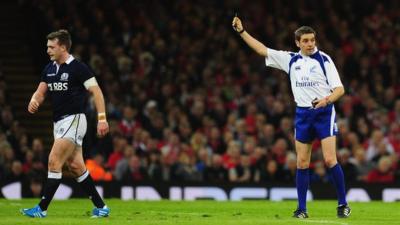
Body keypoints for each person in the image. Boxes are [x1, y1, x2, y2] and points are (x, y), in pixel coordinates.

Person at [232, 17, 351, 218]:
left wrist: (326, 100)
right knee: (302, 163)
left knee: (330, 159)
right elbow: (262, 50)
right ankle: (302, 209)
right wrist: (242, 31)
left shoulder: (324, 60)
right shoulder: (290, 60)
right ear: (297, 43)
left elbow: (340, 90)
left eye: (312, 40)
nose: (310, 44)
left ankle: (343, 204)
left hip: (323, 113)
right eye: (305, 41)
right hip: (303, 114)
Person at [21, 30, 110, 218]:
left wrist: (102, 119)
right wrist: (34, 100)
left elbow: (97, 92)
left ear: (63, 47)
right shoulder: (49, 69)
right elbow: (41, 91)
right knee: (76, 167)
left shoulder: (78, 68)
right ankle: (101, 207)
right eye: (47, 47)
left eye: (51, 47)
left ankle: (42, 208)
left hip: (75, 119)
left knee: (54, 161)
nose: (48, 50)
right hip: (58, 123)